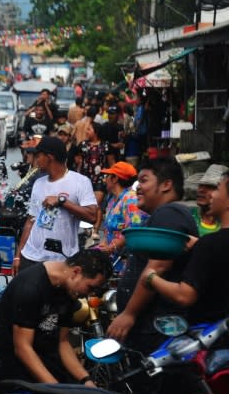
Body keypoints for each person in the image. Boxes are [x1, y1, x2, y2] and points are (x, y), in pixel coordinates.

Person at [107, 158, 199, 354]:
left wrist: (129, 314)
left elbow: (157, 267)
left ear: (166, 185)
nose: (138, 187)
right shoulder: (166, 215)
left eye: (144, 180)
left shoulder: (169, 214)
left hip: (154, 328)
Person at [0, 249, 111, 384]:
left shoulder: (70, 290)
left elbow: (63, 342)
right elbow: (22, 348)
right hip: (15, 365)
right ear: (76, 272)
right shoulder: (31, 287)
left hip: (46, 358)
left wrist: (86, 380)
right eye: (90, 288)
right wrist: (55, 390)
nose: (88, 295)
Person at [146, 169, 229, 323]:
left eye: (217, 189)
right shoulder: (205, 240)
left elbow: (184, 296)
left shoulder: (210, 244)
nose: (211, 194)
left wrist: (150, 277)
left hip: (211, 335)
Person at [14, 137, 97, 274]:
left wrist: (62, 201)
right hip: (31, 257)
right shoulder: (38, 183)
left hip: (62, 260)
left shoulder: (80, 182)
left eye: (38, 156)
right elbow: (30, 221)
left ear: (49, 157)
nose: (35, 160)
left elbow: (92, 215)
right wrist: (18, 255)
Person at [96, 162, 148, 265]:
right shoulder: (112, 200)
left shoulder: (131, 200)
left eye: (107, 176)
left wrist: (112, 247)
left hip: (126, 261)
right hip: (112, 259)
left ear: (115, 179)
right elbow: (109, 231)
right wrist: (104, 243)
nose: (104, 180)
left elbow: (135, 230)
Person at [187, 164, 229, 237]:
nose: (201, 190)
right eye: (200, 185)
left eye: (209, 187)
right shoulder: (187, 216)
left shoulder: (225, 226)